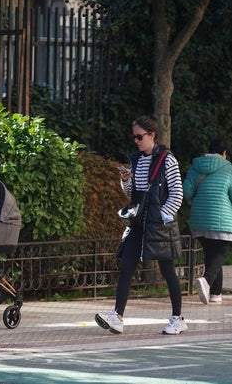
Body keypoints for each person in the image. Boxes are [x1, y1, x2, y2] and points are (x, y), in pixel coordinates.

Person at [95, 114, 186, 335]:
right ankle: (117, 316)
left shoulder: (167, 159)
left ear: (152, 135)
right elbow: (132, 195)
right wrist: (126, 179)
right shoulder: (136, 160)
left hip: (159, 224)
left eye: (139, 137)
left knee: (167, 271)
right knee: (126, 266)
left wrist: (162, 215)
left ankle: (178, 318)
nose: (135, 141)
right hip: (138, 222)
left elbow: (177, 194)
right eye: (134, 137)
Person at [183, 139, 232, 305]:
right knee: (221, 253)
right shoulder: (228, 168)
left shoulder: (195, 167)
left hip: (199, 219)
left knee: (211, 255)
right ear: (224, 153)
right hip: (222, 219)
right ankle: (206, 280)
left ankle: (215, 294)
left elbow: (187, 193)